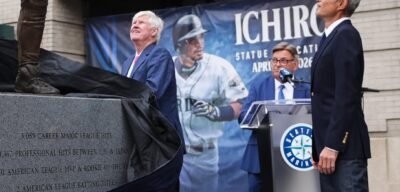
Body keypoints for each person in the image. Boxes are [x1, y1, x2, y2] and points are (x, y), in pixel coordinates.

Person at [172, 14, 248, 192]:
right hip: (174, 156)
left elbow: (241, 104)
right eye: (192, 39)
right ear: (179, 45)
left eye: (201, 36)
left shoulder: (219, 67)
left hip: (204, 157)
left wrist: (216, 112)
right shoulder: (166, 68)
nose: (199, 43)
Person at [310, 0, 370, 192]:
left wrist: (333, 145)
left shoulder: (346, 35)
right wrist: (318, 147)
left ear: (341, 3)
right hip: (327, 150)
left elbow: (347, 95)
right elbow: (323, 98)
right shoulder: (329, 37)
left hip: (343, 150)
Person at [238, 41, 311, 192]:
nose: (278, 64)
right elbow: (244, 115)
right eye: (275, 60)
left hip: (294, 157)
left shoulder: (305, 89)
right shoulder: (258, 86)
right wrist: (265, 117)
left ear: (295, 65)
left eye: (283, 60)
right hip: (259, 157)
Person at [121, 11, 183, 138]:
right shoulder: (128, 62)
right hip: (138, 133)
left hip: (160, 136)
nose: (135, 25)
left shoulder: (159, 54)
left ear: (154, 31)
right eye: (134, 23)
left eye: (141, 22)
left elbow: (152, 92)